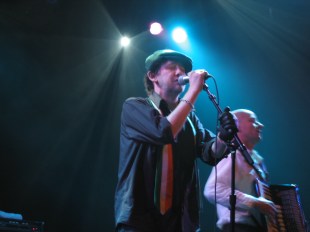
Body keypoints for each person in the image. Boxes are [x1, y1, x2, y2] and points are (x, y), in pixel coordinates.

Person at [114, 49, 238, 232]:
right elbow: (163, 132)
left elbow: (209, 153)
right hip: (140, 220)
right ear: (152, 76)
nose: (181, 73)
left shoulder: (190, 119)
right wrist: (194, 91)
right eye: (172, 68)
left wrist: (223, 137)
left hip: (180, 222)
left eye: (183, 69)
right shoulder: (134, 107)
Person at [204, 109, 278, 232]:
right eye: (253, 121)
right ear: (237, 126)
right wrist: (253, 202)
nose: (261, 125)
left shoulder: (255, 159)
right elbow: (212, 189)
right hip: (239, 228)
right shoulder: (231, 156)